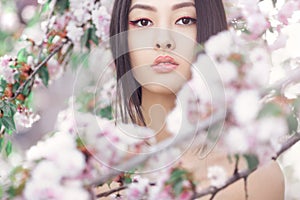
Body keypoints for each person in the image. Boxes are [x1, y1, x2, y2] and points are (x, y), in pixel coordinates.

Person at [106, 0, 285, 199]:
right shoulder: (91, 178)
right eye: (143, 22)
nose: (163, 40)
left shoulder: (254, 177)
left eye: (184, 20)